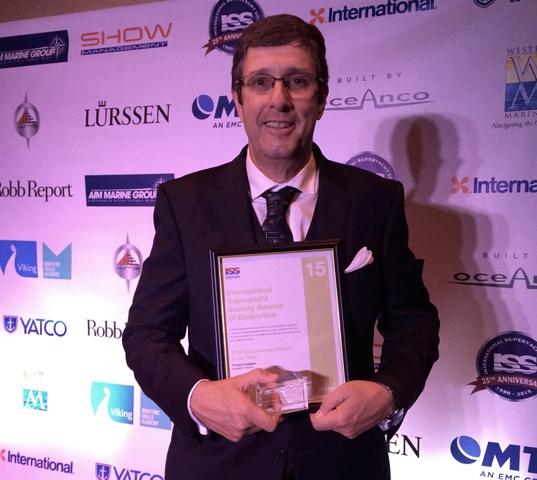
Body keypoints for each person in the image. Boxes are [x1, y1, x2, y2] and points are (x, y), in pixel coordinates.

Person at [123, 14, 439, 480]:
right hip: (218, 463)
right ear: (238, 98)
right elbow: (146, 334)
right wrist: (197, 396)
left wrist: (388, 391)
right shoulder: (184, 203)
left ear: (322, 97)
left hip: (342, 463)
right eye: (260, 82)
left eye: (297, 81)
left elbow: (414, 322)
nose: (279, 100)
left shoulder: (376, 200)